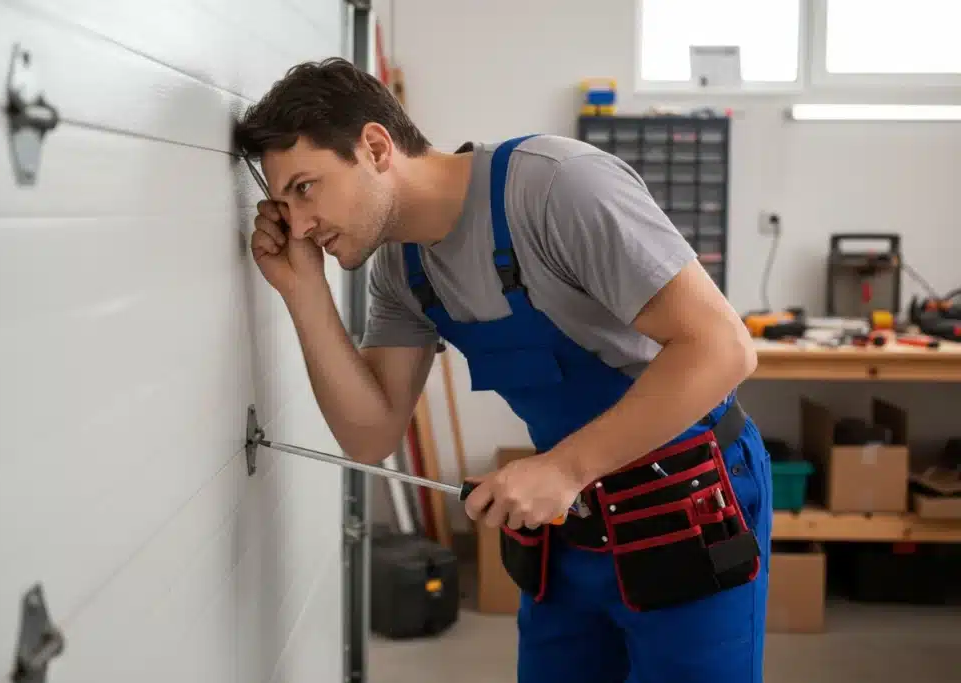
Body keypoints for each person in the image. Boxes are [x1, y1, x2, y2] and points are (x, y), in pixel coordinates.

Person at [235, 57, 772, 683]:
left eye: (305, 188)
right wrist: (304, 291)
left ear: (375, 148)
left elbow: (723, 348)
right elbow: (370, 435)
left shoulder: (556, 188)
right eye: (284, 204)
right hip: (569, 524)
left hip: (688, 505)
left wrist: (565, 467)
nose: (299, 225)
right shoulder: (402, 271)